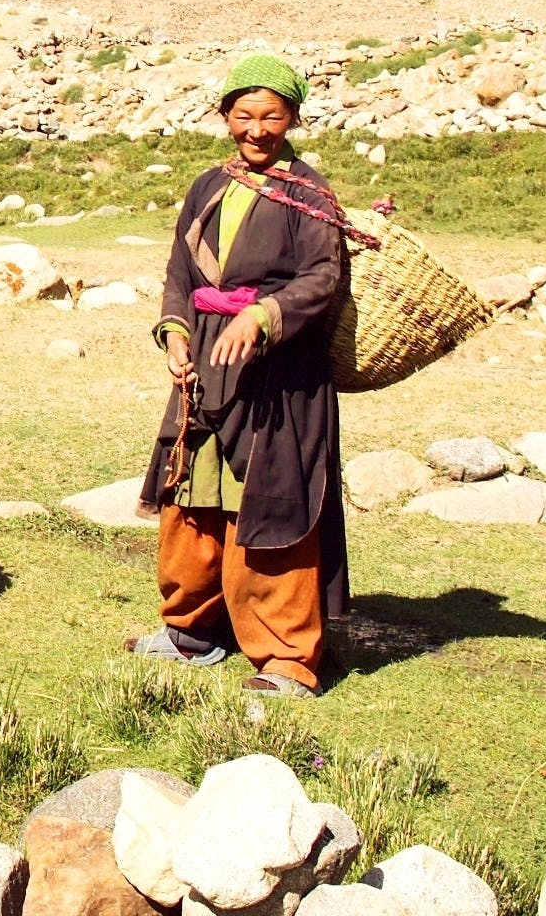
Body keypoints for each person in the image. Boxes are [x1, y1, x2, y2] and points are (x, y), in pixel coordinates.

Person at [129, 54, 352, 697]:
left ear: (292, 119)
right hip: (203, 364)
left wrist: (263, 316)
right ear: (225, 116)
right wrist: (174, 332)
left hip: (279, 376)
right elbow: (180, 271)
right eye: (244, 115)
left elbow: (323, 278)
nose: (257, 130)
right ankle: (193, 632)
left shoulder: (308, 194)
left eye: (272, 117)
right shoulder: (208, 186)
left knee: (273, 501)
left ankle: (286, 657)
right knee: (191, 497)